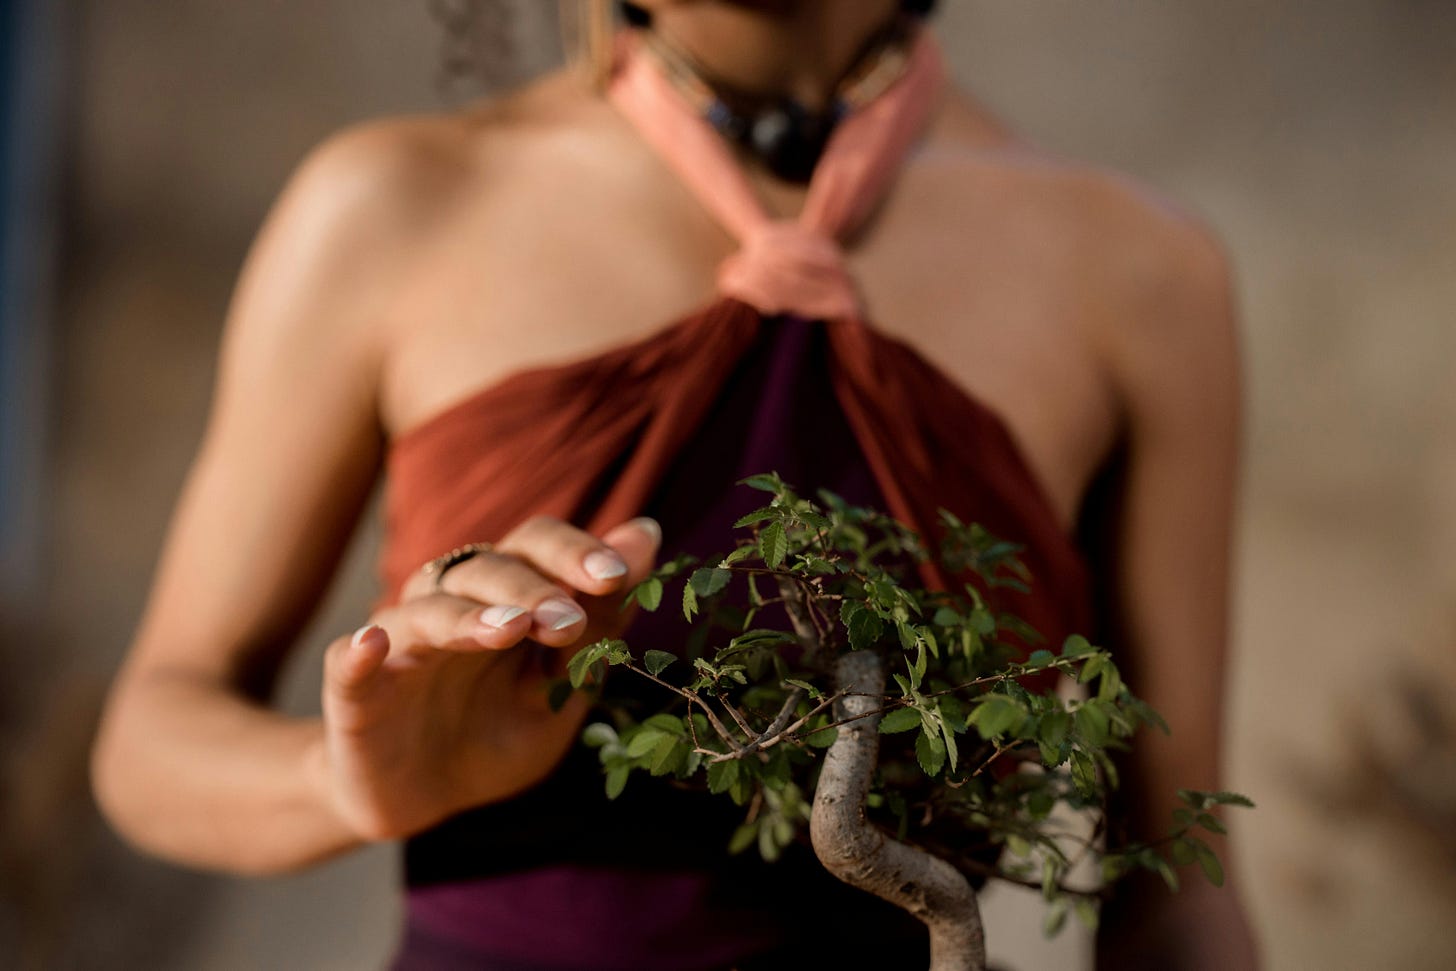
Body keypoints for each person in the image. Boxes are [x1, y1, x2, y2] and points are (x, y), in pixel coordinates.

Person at [91, 1, 1259, 967]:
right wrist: (348, 783)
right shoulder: (394, 204)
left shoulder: (1139, 274)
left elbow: (1173, 882)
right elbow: (153, 735)